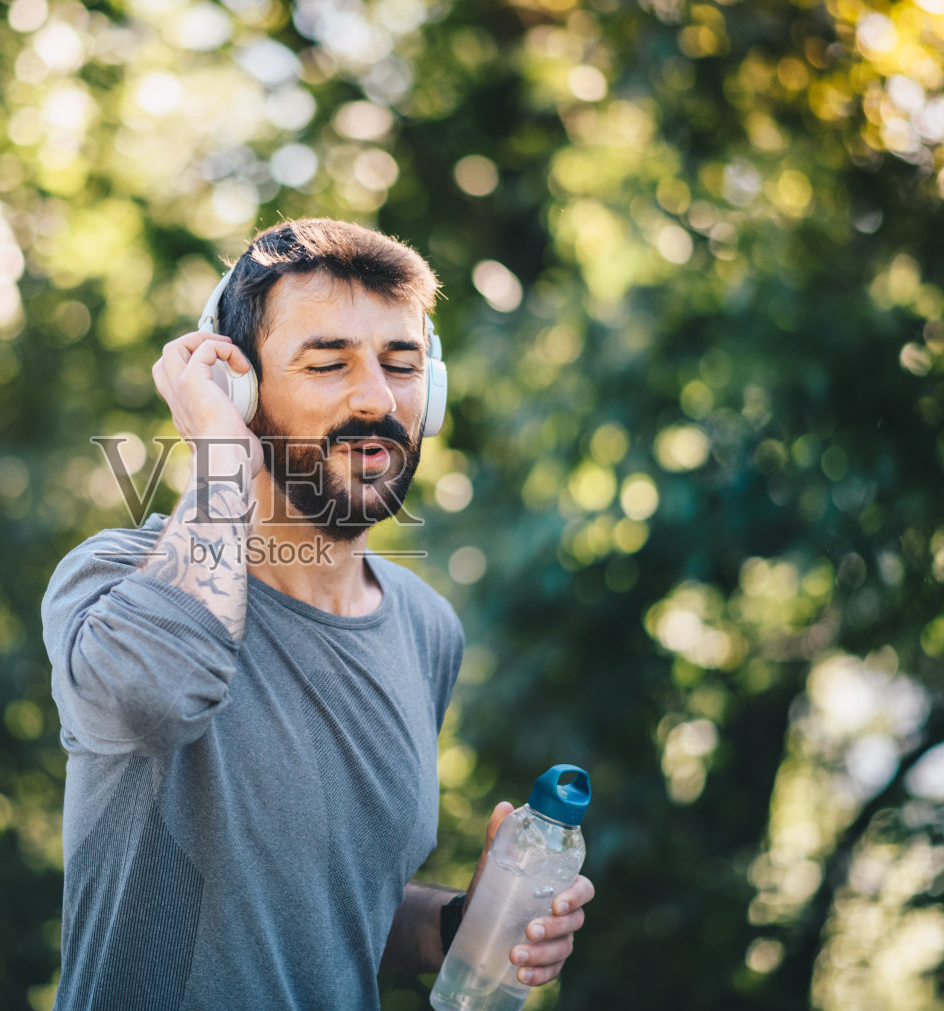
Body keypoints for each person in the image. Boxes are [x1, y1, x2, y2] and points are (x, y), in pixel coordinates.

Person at [41, 219, 594, 1009]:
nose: (376, 397)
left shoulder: (425, 628)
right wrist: (223, 456)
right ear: (238, 387)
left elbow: (330, 905)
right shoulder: (115, 577)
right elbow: (155, 697)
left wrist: (460, 923)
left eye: (402, 365)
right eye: (329, 362)